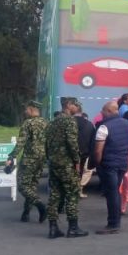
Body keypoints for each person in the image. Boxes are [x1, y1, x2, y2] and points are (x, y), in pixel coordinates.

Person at [44, 97, 88, 239]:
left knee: (55, 195)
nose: (77, 108)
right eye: (76, 105)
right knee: (72, 194)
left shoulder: (53, 122)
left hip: (54, 163)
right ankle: (73, 228)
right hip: (67, 164)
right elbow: (72, 142)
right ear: (68, 105)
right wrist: (77, 160)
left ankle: (53, 228)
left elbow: (46, 143)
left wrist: (50, 158)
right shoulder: (70, 121)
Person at [92, 101, 128, 234]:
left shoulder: (104, 127)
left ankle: (113, 224)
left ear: (109, 111)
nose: (101, 113)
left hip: (109, 165)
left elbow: (98, 150)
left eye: (103, 110)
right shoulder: (127, 124)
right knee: (115, 191)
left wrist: (98, 163)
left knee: (112, 193)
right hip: (123, 163)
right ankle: (116, 220)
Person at [6, 100, 48, 223]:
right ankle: (26, 213)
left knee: (22, 186)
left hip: (29, 160)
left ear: (31, 109)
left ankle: (40, 205)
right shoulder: (46, 123)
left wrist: (11, 156)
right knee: (32, 186)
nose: (25, 111)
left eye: (26, 109)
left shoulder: (27, 123)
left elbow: (21, 142)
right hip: (41, 159)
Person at [73, 101, 96, 199]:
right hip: (84, 154)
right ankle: (78, 191)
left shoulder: (67, 123)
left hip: (68, 154)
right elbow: (93, 141)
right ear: (82, 112)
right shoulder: (90, 125)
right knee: (80, 173)